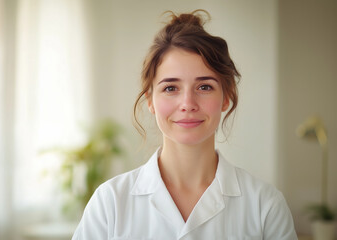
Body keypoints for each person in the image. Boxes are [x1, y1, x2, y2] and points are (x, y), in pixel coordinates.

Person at [72, 10, 297, 239]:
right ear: (150, 100)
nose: (188, 104)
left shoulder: (265, 206)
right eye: (171, 88)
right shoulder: (109, 203)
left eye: (204, 87)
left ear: (226, 97)